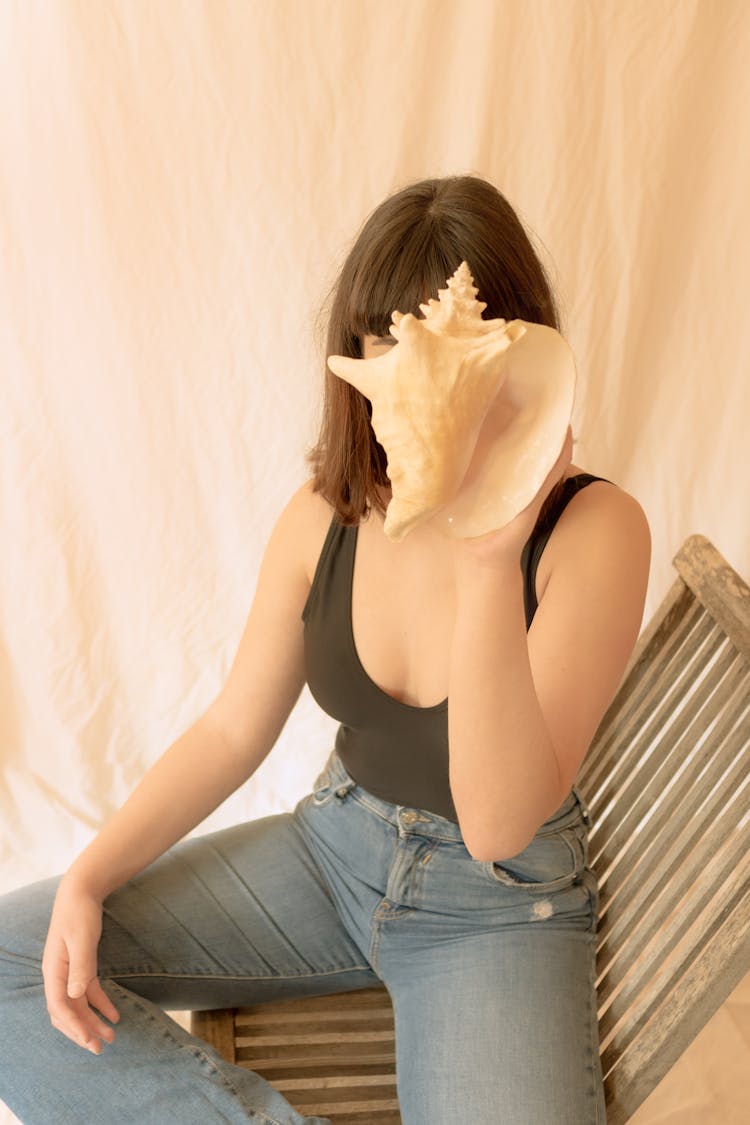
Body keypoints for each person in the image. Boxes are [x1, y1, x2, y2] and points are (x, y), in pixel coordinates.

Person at [0, 175, 651, 1125]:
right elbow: (233, 726)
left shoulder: (596, 529)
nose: (405, 365)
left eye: (435, 340)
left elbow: (500, 822)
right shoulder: (328, 515)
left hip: (496, 907)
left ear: (510, 351)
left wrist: (488, 554)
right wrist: (90, 875)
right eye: (382, 336)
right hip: (335, 847)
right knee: (15, 958)